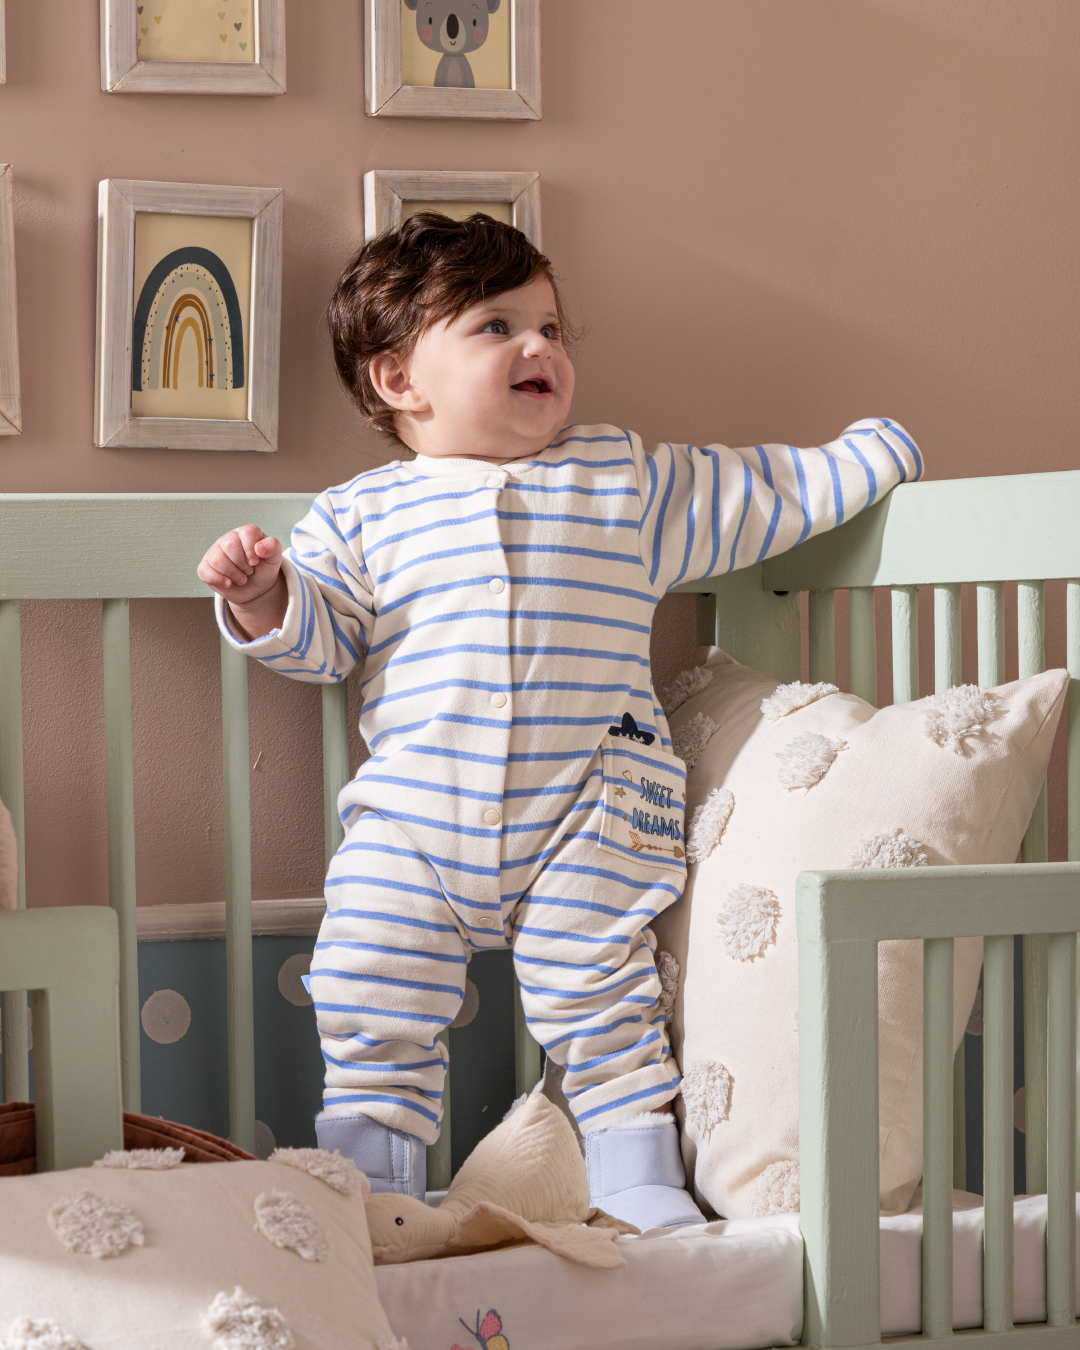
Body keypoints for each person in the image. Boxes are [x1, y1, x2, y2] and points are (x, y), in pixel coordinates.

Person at [197, 212, 922, 1230]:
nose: (539, 346)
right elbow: (320, 641)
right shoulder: (361, 515)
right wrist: (263, 596)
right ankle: (372, 1191)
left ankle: (637, 1179)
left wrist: (872, 454)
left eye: (550, 327)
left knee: (606, 995)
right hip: (417, 820)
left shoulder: (621, 482)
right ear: (399, 378)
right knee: (368, 982)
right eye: (496, 327)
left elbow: (758, 492)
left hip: (589, 809)